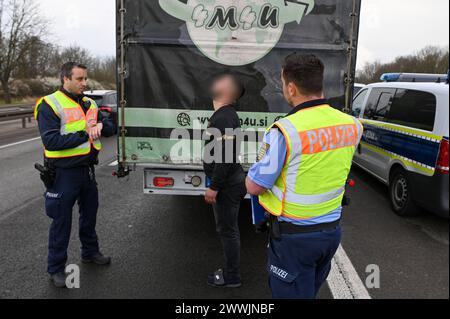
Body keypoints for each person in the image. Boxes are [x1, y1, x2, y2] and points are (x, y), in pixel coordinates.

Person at [246, 54, 363, 299]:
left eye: (282, 84)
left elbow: (256, 186)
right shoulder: (352, 125)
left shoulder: (285, 131)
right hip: (331, 233)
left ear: (291, 87)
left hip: (295, 239)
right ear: (319, 84)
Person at [34, 62, 115, 288]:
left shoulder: (89, 103)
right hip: (62, 173)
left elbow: (109, 127)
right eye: (79, 79)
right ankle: (56, 268)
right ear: (65, 79)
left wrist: (101, 126)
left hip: (87, 170)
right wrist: (85, 133)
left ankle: (90, 252)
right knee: (61, 222)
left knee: (89, 215)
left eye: (85, 79)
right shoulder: (49, 104)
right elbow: (51, 140)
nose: (84, 83)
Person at [203, 73, 247, 288]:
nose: (214, 82)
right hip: (229, 182)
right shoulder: (222, 115)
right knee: (228, 230)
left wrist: (214, 187)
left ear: (228, 91)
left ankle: (232, 277)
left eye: (219, 81)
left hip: (228, 185)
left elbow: (227, 156)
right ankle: (232, 273)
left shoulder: (225, 116)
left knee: (228, 231)